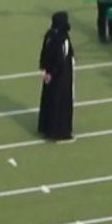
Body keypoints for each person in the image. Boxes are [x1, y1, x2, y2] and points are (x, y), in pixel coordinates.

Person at [38, 11, 76, 142]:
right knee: (61, 102)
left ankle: (47, 128)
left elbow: (44, 53)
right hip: (61, 76)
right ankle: (60, 131)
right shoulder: (62, 38)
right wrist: (53, 72)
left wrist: (46, 71)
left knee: (49, 100)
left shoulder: (49, 34)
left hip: (50, 73)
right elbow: (62, 58)